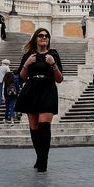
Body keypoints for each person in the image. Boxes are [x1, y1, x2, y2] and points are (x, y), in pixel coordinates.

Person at [15, 28, 64, 172]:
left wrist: (53, 64)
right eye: (41, 36)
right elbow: (22, 77)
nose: (44, 38)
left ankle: (44, 161)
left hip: (48, 89)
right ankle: (39, 156)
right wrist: (27, 64)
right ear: (36, 38)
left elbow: (60, 79)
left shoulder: (53, 54)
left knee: (44, 127)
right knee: (34, 128)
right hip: (31, 89)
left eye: (46, 36)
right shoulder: (29, 55)